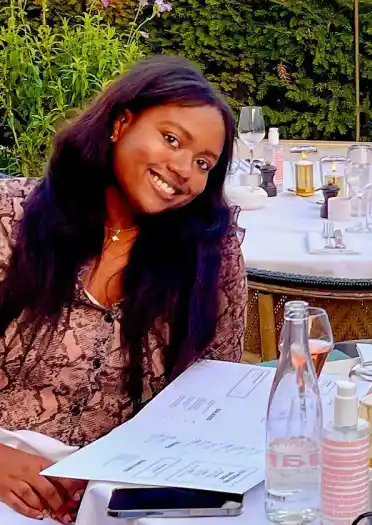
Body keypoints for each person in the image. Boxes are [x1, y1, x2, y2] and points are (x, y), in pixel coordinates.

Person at [0, 55, 248, 521]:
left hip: (125, 492)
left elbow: (217, 394)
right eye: (171, 139)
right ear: (121, 124)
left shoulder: (209, 256)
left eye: (203, 163)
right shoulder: (11, 217)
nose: (183, 169)